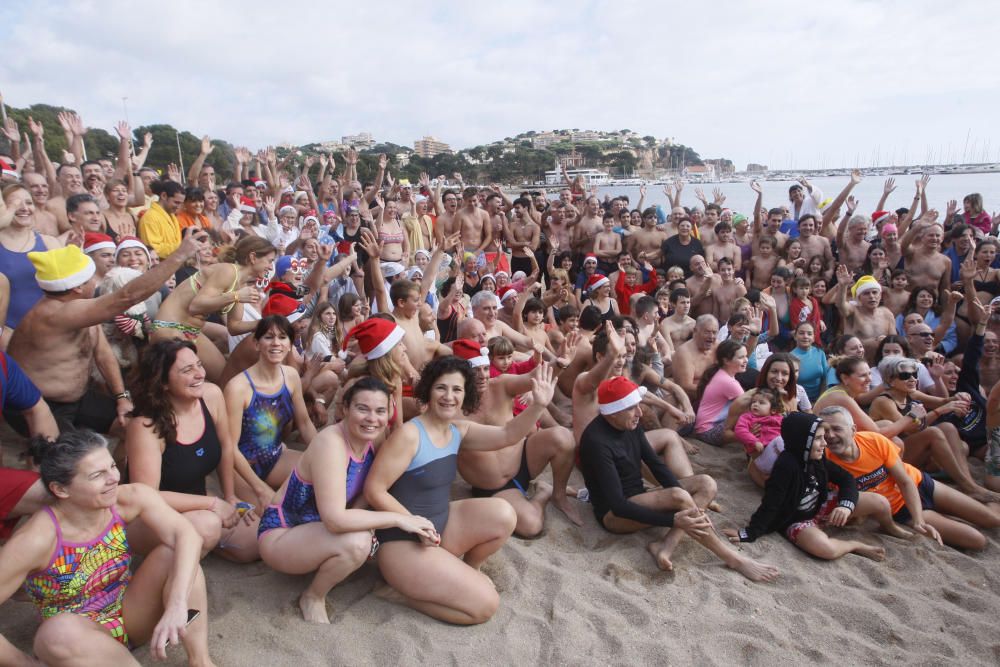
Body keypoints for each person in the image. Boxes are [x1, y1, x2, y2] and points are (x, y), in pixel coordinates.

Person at [364, 356, 558, 624]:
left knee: (504, 513)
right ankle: (402, 594)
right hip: (401, 544)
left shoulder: (458, 430)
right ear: (429, 390)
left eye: (457, 389)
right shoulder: (410, 435)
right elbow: (375, 490)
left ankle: (468, 570)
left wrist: (538, 406)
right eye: (441, 388)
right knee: (485, 605)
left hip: (439, 528)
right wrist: (413, 523)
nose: (449, 396)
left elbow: (508, 434)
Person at [0, 430, 213, 665]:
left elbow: (187, 535)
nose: (114, 478)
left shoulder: (126, 498)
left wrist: (176, 603)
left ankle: (200, 661)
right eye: (97, 475)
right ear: (61, 490)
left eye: (112, 466)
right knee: (56, 633)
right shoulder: (36, 539)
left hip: (130, 611)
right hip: (78, 642)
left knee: (177, 555)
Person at [258, 377, 437, 624]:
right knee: (358, 542)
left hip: (318, 531)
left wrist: (375, 520)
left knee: (373, 532)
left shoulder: (375, 436)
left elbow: (370, 486)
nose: (371, 418)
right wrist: (399, 519)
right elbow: (335, 520)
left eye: (380, 411)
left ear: (389, 413)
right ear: (344, 409)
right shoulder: (331, 443)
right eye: (362, 409)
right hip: (283, 533)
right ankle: (313, 596)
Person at [579, 376, 779, 580]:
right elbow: (618, 505)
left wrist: (688, 505)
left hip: (640, 497)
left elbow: (656, 465)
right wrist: (673, 518)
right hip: (615, 516)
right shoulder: (597, 442)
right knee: (678, 496)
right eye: (632, 408)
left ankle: (666, 545)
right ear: (612, 413)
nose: (639, 412)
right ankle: (734, 559)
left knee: (706, 483)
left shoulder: (629, 424)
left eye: (638, 406)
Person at [6, 237, 199, 435]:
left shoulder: (81, 309)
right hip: (38, 406)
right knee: (72, 459)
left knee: (137, 426)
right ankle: (34, 458)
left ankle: (124, 465)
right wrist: (180, 255)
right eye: (91, 278)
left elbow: (103, 355)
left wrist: (121, 397)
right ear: (77, 287)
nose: (96, 281)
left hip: (78, 400)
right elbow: (128, 296)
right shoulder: (56, 313)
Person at [126, 339, 263, 563]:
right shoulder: (145, 426)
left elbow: (226, 446)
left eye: (199, 365)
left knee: (256, 541)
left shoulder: (211, 396)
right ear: (163, 383)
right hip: (150, 515)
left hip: (195, 499)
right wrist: (213, 504)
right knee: (208, 526)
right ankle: (169, 570)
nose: (199, 374)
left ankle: (195, 543)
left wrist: (229, 496)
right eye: (187, 370)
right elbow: (147, 497)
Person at [723, 412, 906, 561]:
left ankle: (888, 527)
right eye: (819, 439)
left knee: (880, 502)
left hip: (822, 504)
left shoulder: (817, 459)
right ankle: (855, 545)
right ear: (803, 440)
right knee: (826, 550)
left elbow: (846, 479)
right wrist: (749, 533)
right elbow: (771, 504)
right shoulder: (786, 467)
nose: (825, 443)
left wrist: (845, 505)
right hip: (797, 519)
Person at [820, 406, 1000, 550]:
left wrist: (918, 520)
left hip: (920, 483)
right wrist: (917, 520)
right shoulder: (823, 460)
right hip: (899, 509)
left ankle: (987, 499)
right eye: (825, 431)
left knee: (992, 519)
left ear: (853, 430)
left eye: (836, 429)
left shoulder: (874, 441)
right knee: (976, 540)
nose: (830, 436)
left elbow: (905, 480)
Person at [453, 339, 582, 534]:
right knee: (531, 526)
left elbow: (534, 376)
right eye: (475, 370)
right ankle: (543, 493)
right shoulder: (451, 408)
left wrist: (561, 362)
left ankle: (559, 494)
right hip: (494, 486)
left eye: (485, 369)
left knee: (563, 437)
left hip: (523, 459)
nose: (482, 376)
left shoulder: (500, 385)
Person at [868, 355, 999, 504]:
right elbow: (909, 429)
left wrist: (957, 397)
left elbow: (942, 401)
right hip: (890, 460)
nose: (912, 379)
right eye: (905, 375)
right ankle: (969, 487)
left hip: (910, 451)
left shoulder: (910, 393)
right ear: (890, 380)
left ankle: (969, 484)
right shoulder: (884, 401)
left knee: (948, 428)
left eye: (914, 374)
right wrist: (941, 411)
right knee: (933, 433)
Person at [151, 235, 274, 381]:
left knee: (226, 380)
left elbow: (234, 327)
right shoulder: (228, 271)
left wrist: (267, 323)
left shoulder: (240, 284)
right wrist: (235, 296)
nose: (271, 267)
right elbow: (196, 306)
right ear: (253, 257)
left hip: (192, 332)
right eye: (270, 261)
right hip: (169, 327)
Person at [225, 316, 318, 499]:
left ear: (290, 344)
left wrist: (323, 454)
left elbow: (305, 424)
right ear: (257, 343)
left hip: (275, 457)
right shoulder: (238, 388)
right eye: (268, 337)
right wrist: (260, 488)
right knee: (271, 517)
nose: (276, 343)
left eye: (283, 337)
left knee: (325, 478)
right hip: (242, 469)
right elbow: (230, 448)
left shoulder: (291, 376)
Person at [694, 340, 747, 446]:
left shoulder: (722, 374)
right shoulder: (728, 382)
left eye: (746, 356)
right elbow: (747, 403)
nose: (746, 360)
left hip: (703, 429)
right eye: (741, 357)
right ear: (726, 360)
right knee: (753, 415)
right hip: (708, 432)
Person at [733, 387, 784, 458]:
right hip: (759, 450)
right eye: (754, 401)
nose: (756, 404)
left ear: (773, 410)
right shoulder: (747, 417)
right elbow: (740, 430)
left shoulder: (778, 418)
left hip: (778, 447)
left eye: (761, 403)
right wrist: (754, 441)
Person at [790, 321, 828, 403]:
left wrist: (821, 399)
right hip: (799, 402)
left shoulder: (820, 353)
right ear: (795, 336)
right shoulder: (790, 357)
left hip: (820, 399)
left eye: (809, 334)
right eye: (801, 333)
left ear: (814, 338)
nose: (805, 336)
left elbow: (825, 378)